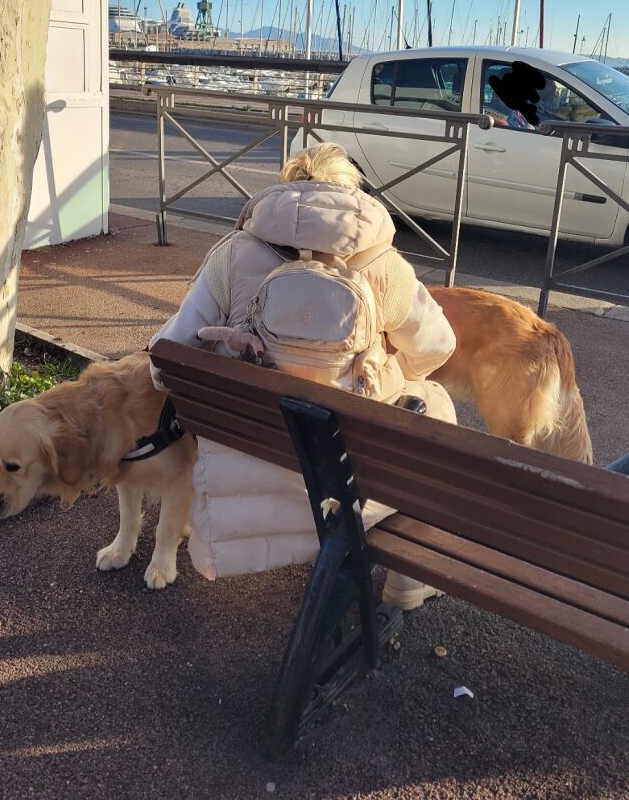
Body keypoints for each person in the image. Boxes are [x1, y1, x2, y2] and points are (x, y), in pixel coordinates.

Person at [149, 143, 457, 611]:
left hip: (252, 466)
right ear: (352, 199)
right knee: (434, 406)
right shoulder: (385, 267)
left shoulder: (231, 257)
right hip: (359, 469)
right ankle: (408, 585)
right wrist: (387, 369)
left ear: (285, 189)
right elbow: (437, 348)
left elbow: (163, 363)